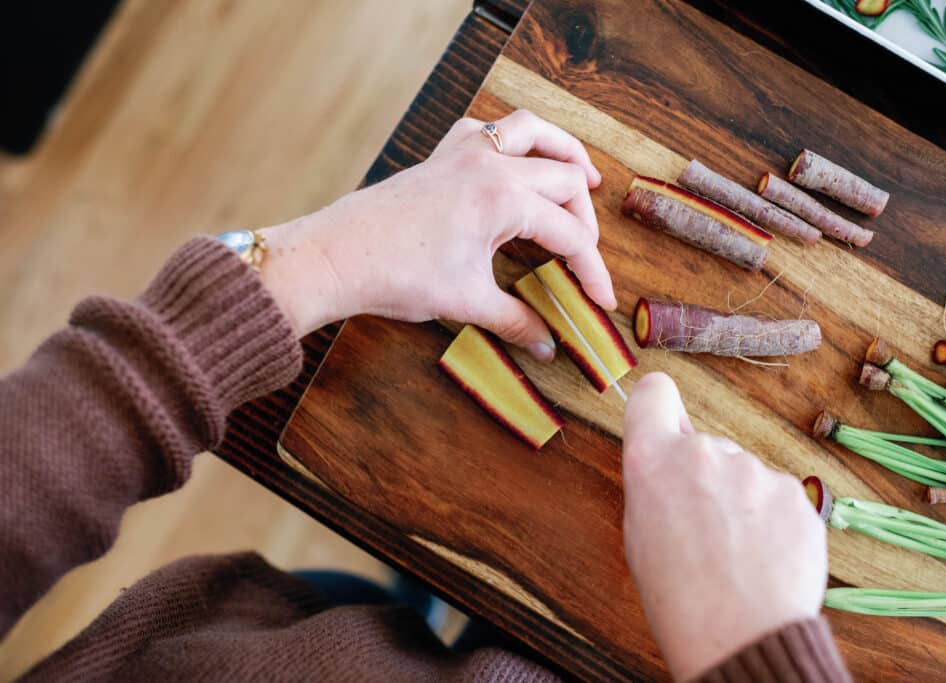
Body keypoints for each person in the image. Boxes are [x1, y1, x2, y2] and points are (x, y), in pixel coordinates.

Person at [0, 110, 848, 681]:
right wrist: (751, 652)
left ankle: (421, 601)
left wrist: (321, 260)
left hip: (265, 640)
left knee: (371, 598)